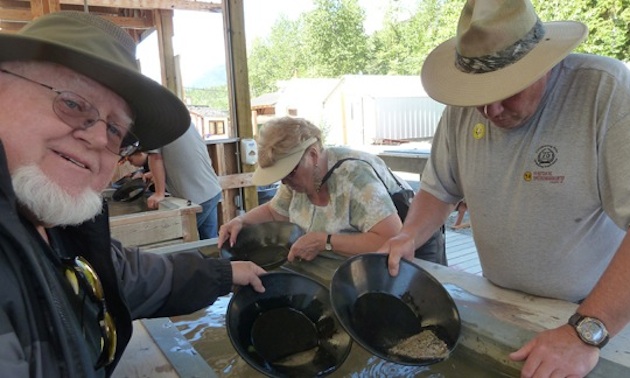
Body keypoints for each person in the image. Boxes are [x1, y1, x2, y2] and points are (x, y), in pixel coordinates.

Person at [0, 11, 265, 377]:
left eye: (115, 131)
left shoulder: (55, 227)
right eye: (73, 103)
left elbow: (123, 274)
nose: (96, 138)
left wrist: (222, 274)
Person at [380, 1, 630, 377]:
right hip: (501, 299)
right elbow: (439, 189)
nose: (490, 109)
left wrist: (587, 331)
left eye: (508, 89)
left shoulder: (605, 91)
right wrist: (409, 234)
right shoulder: (466, 109)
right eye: (479, 92)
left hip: (597, 313)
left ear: (546, 63)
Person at [218, 116, 445, 263]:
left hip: (415, 247)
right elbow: (275, 211)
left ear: (313, 155)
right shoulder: (297, 180)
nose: (285, 182)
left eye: (289, 173)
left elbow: (390, 239)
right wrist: (242, 222)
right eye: (281, 177)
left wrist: (325, 241)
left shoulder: (355, 177)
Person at [146, 122, 223, 239]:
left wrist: (159, 193)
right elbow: (181, 156)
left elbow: (155, 157)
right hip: (212, 190)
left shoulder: (153, 124)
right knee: (210, 243)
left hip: (196, 198)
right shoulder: (181, 120)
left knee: (178, 241)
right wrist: (153, 174)